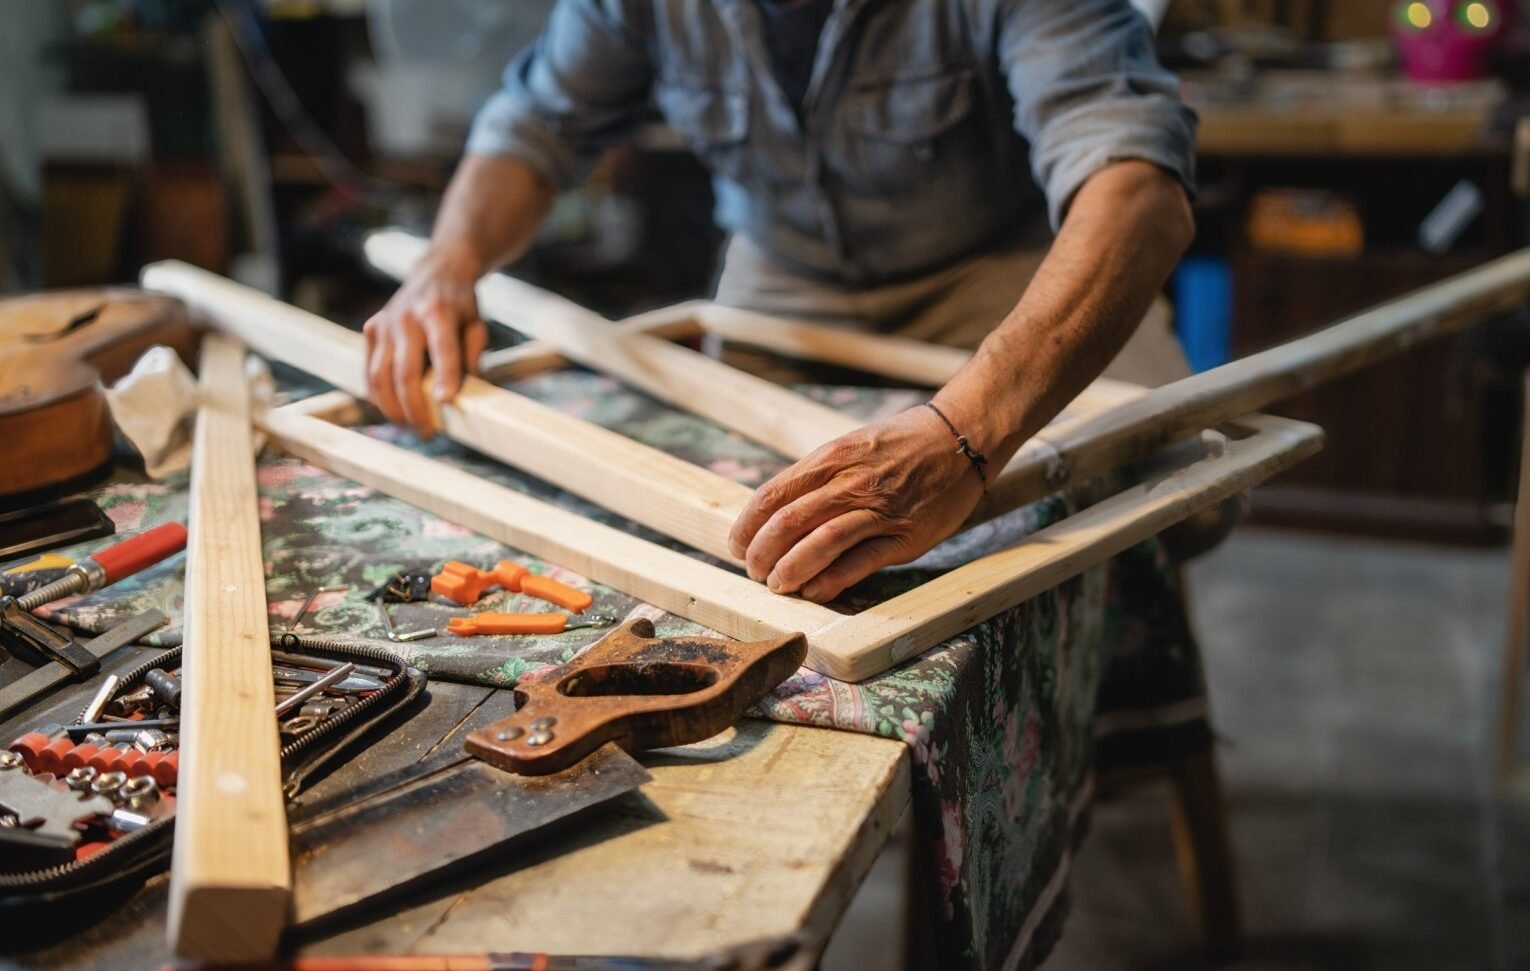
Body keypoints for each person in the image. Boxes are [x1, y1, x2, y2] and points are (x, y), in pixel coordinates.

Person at [363, 0, 1197, 603]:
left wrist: (968, 433)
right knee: (745, 535)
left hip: (998, 267)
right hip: (785, 271)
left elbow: (1136, 193)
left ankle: (1102, 698)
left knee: (1177, 484)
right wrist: (448, 260)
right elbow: (533, 124)